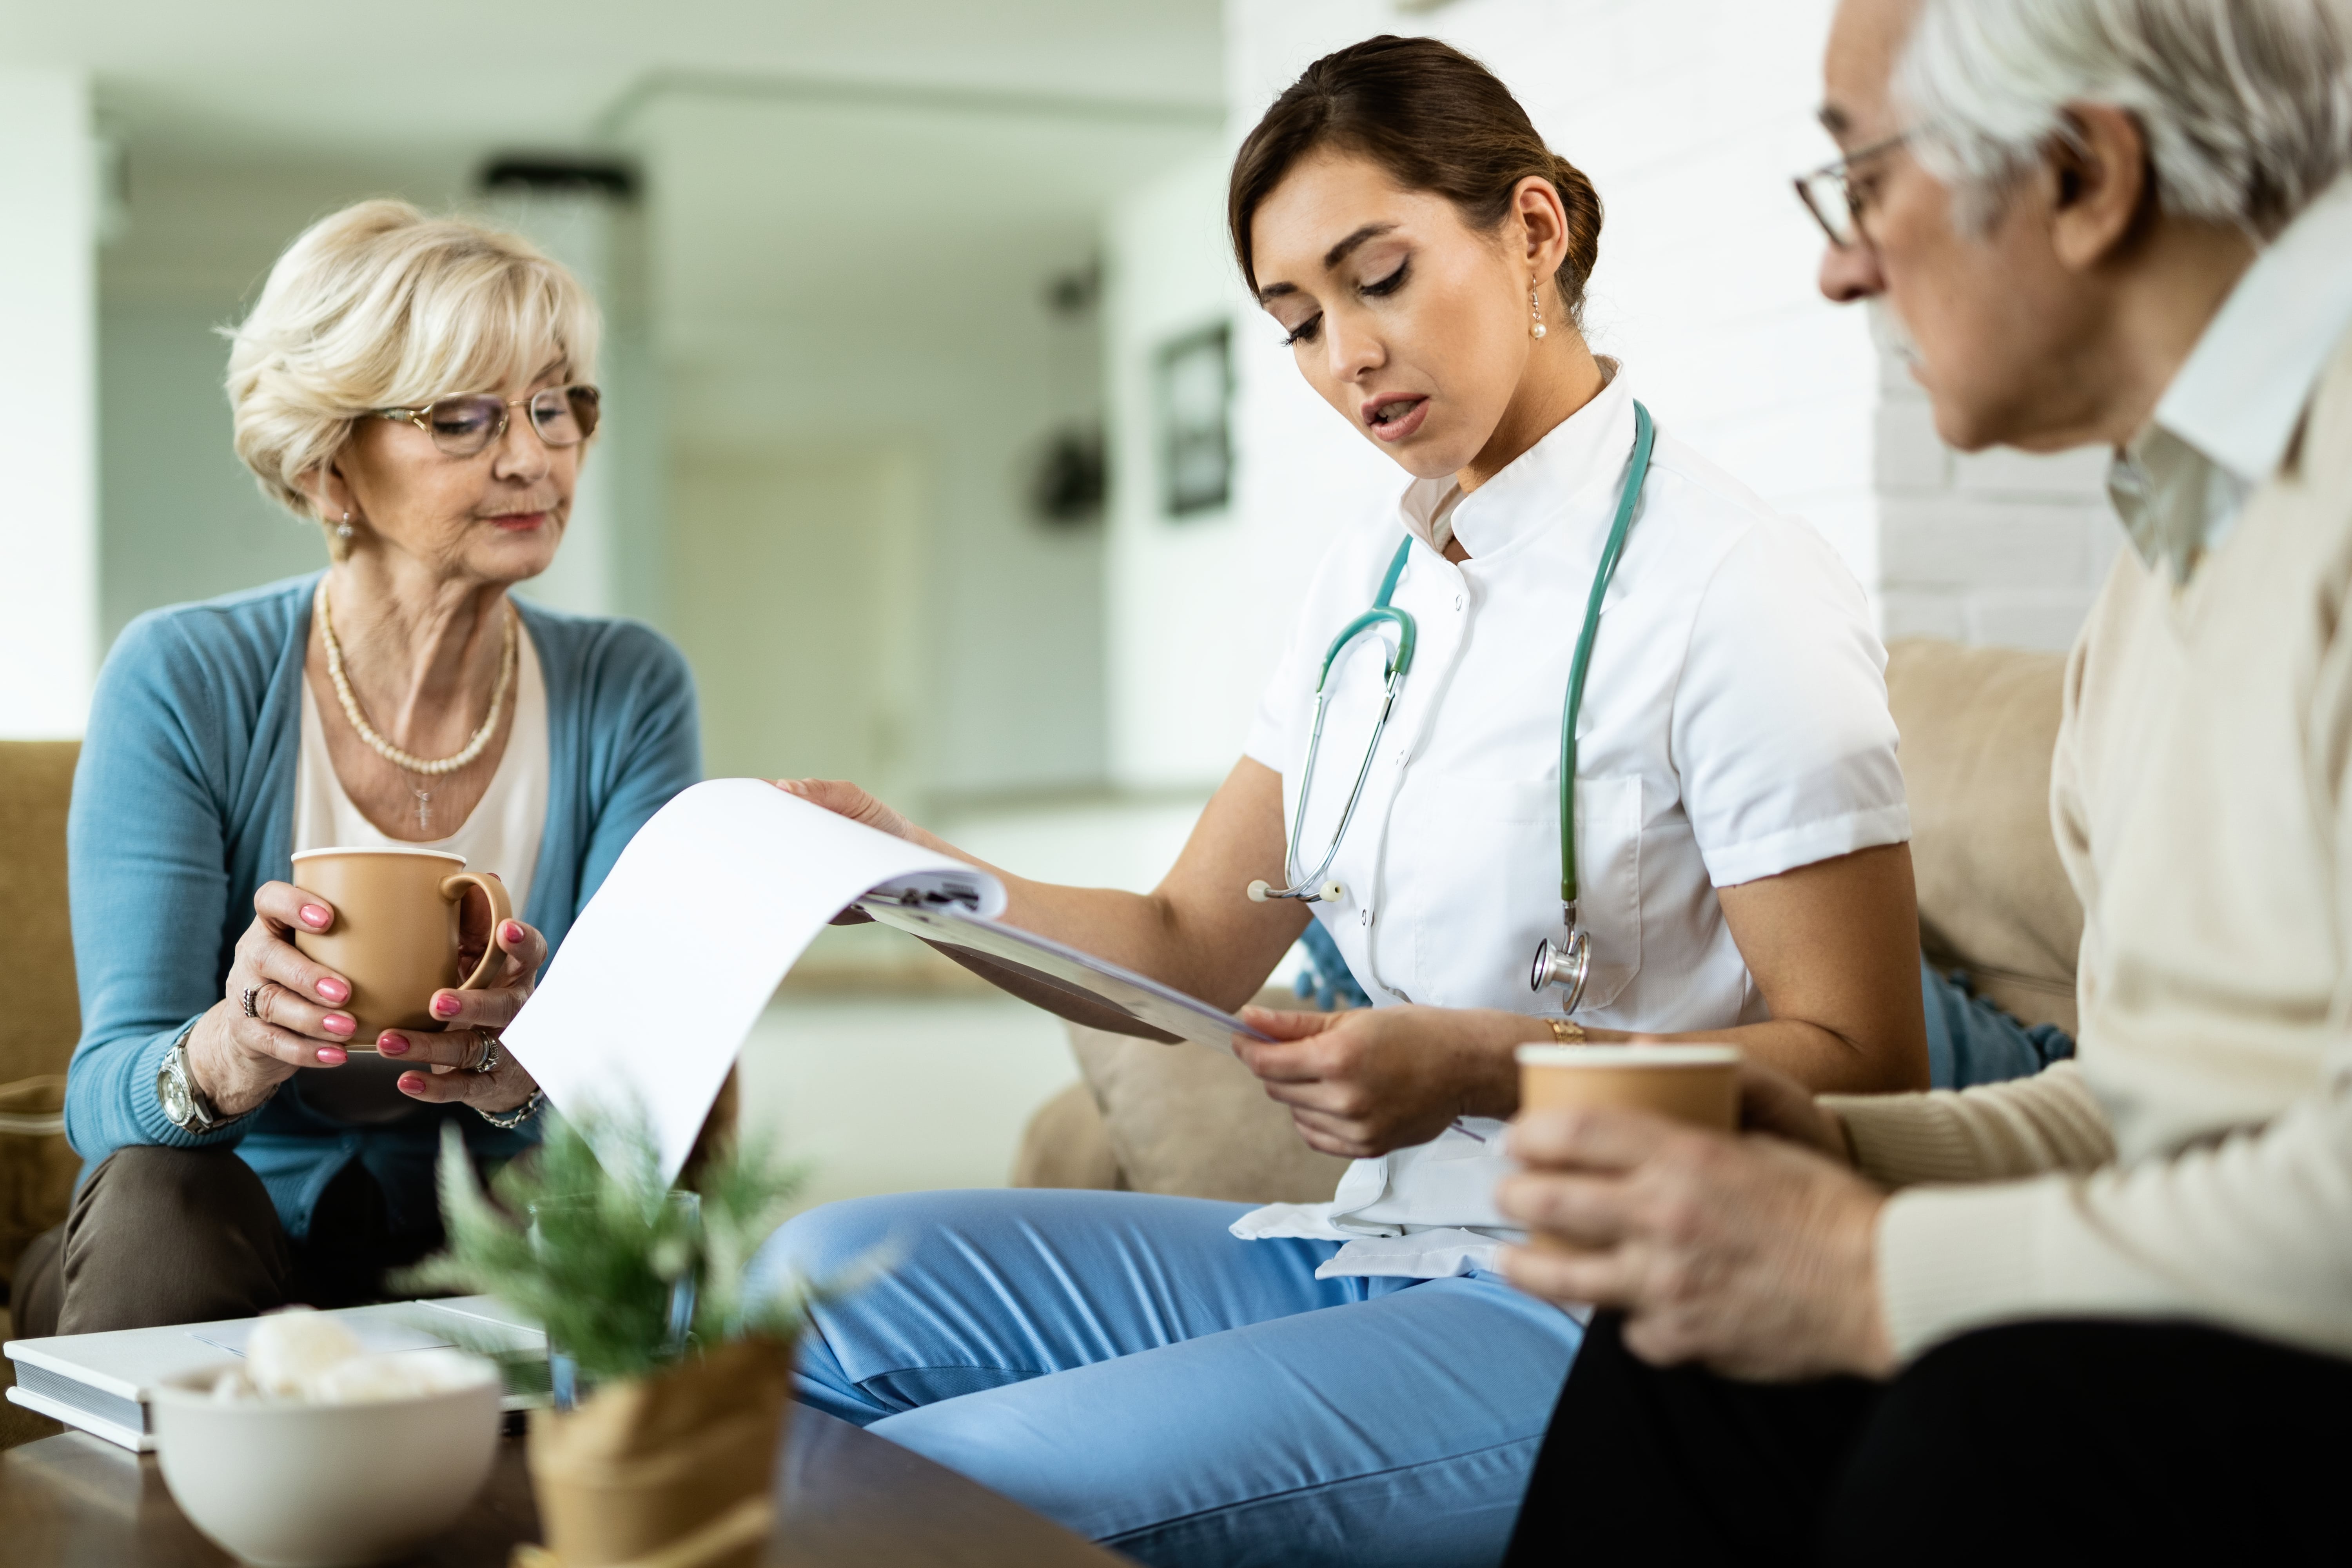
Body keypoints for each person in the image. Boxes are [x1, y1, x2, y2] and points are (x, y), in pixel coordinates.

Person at [756, 36, 1926, 1567]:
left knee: (921, 1494)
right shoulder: (1363, 588)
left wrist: (1495, 1065)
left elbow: (1868, 1064)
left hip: (1603, 1301)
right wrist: (911, 874)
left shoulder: (1735, 586)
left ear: (1532, 232)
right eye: (1298, 321)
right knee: (796, 1286)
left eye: (1380, 277)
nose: (1345, 358)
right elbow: (1183, 944)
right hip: (1375, 1242)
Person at [1497, 1, 2352, 1561]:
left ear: (2086, 175)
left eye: (1865, 182)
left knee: (1996, 1432)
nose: (1841, 266)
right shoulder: (2164, 573)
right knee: (1700, 1342)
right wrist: (1840, 1155)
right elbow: (2162, 1113)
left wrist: (1876, 1272)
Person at [16, 201, 699, 1339]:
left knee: (625, 1245)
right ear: (334, 465)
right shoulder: (185, 673)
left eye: (554, 405)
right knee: (156, 1195)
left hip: (481, 1227)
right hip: (213, 1234)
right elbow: (103, 1093)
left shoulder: (630, 687)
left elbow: (639, 1085)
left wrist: (529, 1063)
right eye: (466, 419)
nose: (533, 456)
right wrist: (230, 1050)